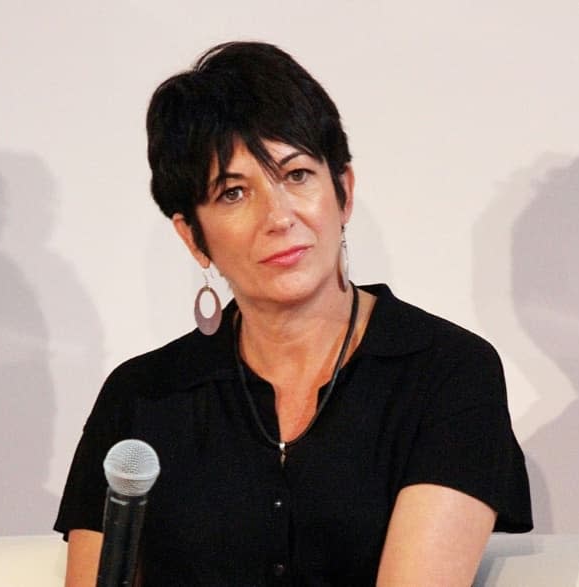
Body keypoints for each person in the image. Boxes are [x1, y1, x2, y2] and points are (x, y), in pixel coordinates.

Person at [55, 41, 532, 586]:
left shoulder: (446, 372)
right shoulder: (141, 397)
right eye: (234, 193)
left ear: (343, 192)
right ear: (193, 235)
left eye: (297, 175)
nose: (278, 216)